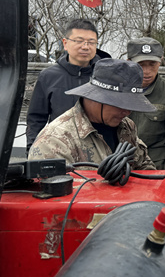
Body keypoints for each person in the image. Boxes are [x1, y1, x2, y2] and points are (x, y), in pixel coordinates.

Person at [28, 58, 156, 170]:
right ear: (96, 97)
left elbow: (145, 167)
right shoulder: (55, 140)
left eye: (131, 105)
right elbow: (50, 194)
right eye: (120, 104)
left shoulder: (126, 127)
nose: (127, 112)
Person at [26, 18, 103, 152]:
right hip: (59, 147)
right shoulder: (49, 76)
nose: (85, 46)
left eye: (91, 42)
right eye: (79, 41)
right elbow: (36, 119)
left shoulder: (105, 75)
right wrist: (32, 150)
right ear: (65, 43)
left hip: (99, 149)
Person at [126, 37, 165, 174]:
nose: (147, 71)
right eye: (141, 64)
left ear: (160, 61)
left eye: (152, 64)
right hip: (119, 166)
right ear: (129, 62)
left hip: (154, 169)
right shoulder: (119, 90)